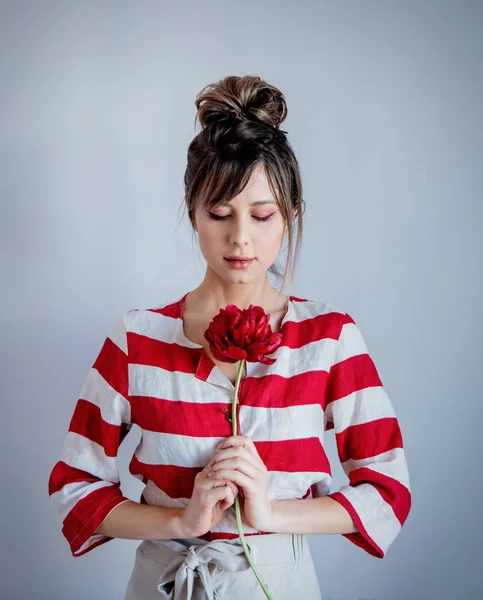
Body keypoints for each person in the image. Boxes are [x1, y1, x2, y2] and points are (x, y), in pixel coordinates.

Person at [48, 75, 412, 599]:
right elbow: (73, 489)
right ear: (192, 213)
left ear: (288, 217)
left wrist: (269, 512)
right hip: (164, 582)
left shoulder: (329, 338)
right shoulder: (136, 339)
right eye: (219, 213)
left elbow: (387, 490)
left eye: (262, 215)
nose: (240, 236)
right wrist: (178, 521)